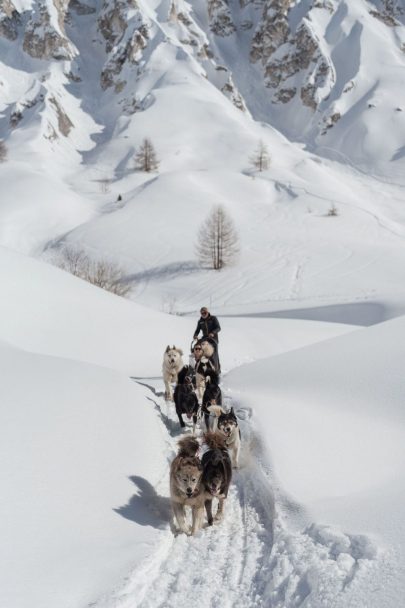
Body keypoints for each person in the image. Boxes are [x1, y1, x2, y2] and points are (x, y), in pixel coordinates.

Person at [193, 307, 221, 373]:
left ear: (207, 312)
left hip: (213, 339)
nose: (203, 314)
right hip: (205, 339)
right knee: (199, 349)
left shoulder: (213, 318)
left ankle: (217, 370)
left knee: (214, 354)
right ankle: (200, 368)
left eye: (205, 312)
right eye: (202, 313)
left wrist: (213, 333)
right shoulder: (200, 321)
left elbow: (218, 328)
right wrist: (195, 335)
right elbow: (197, 330)